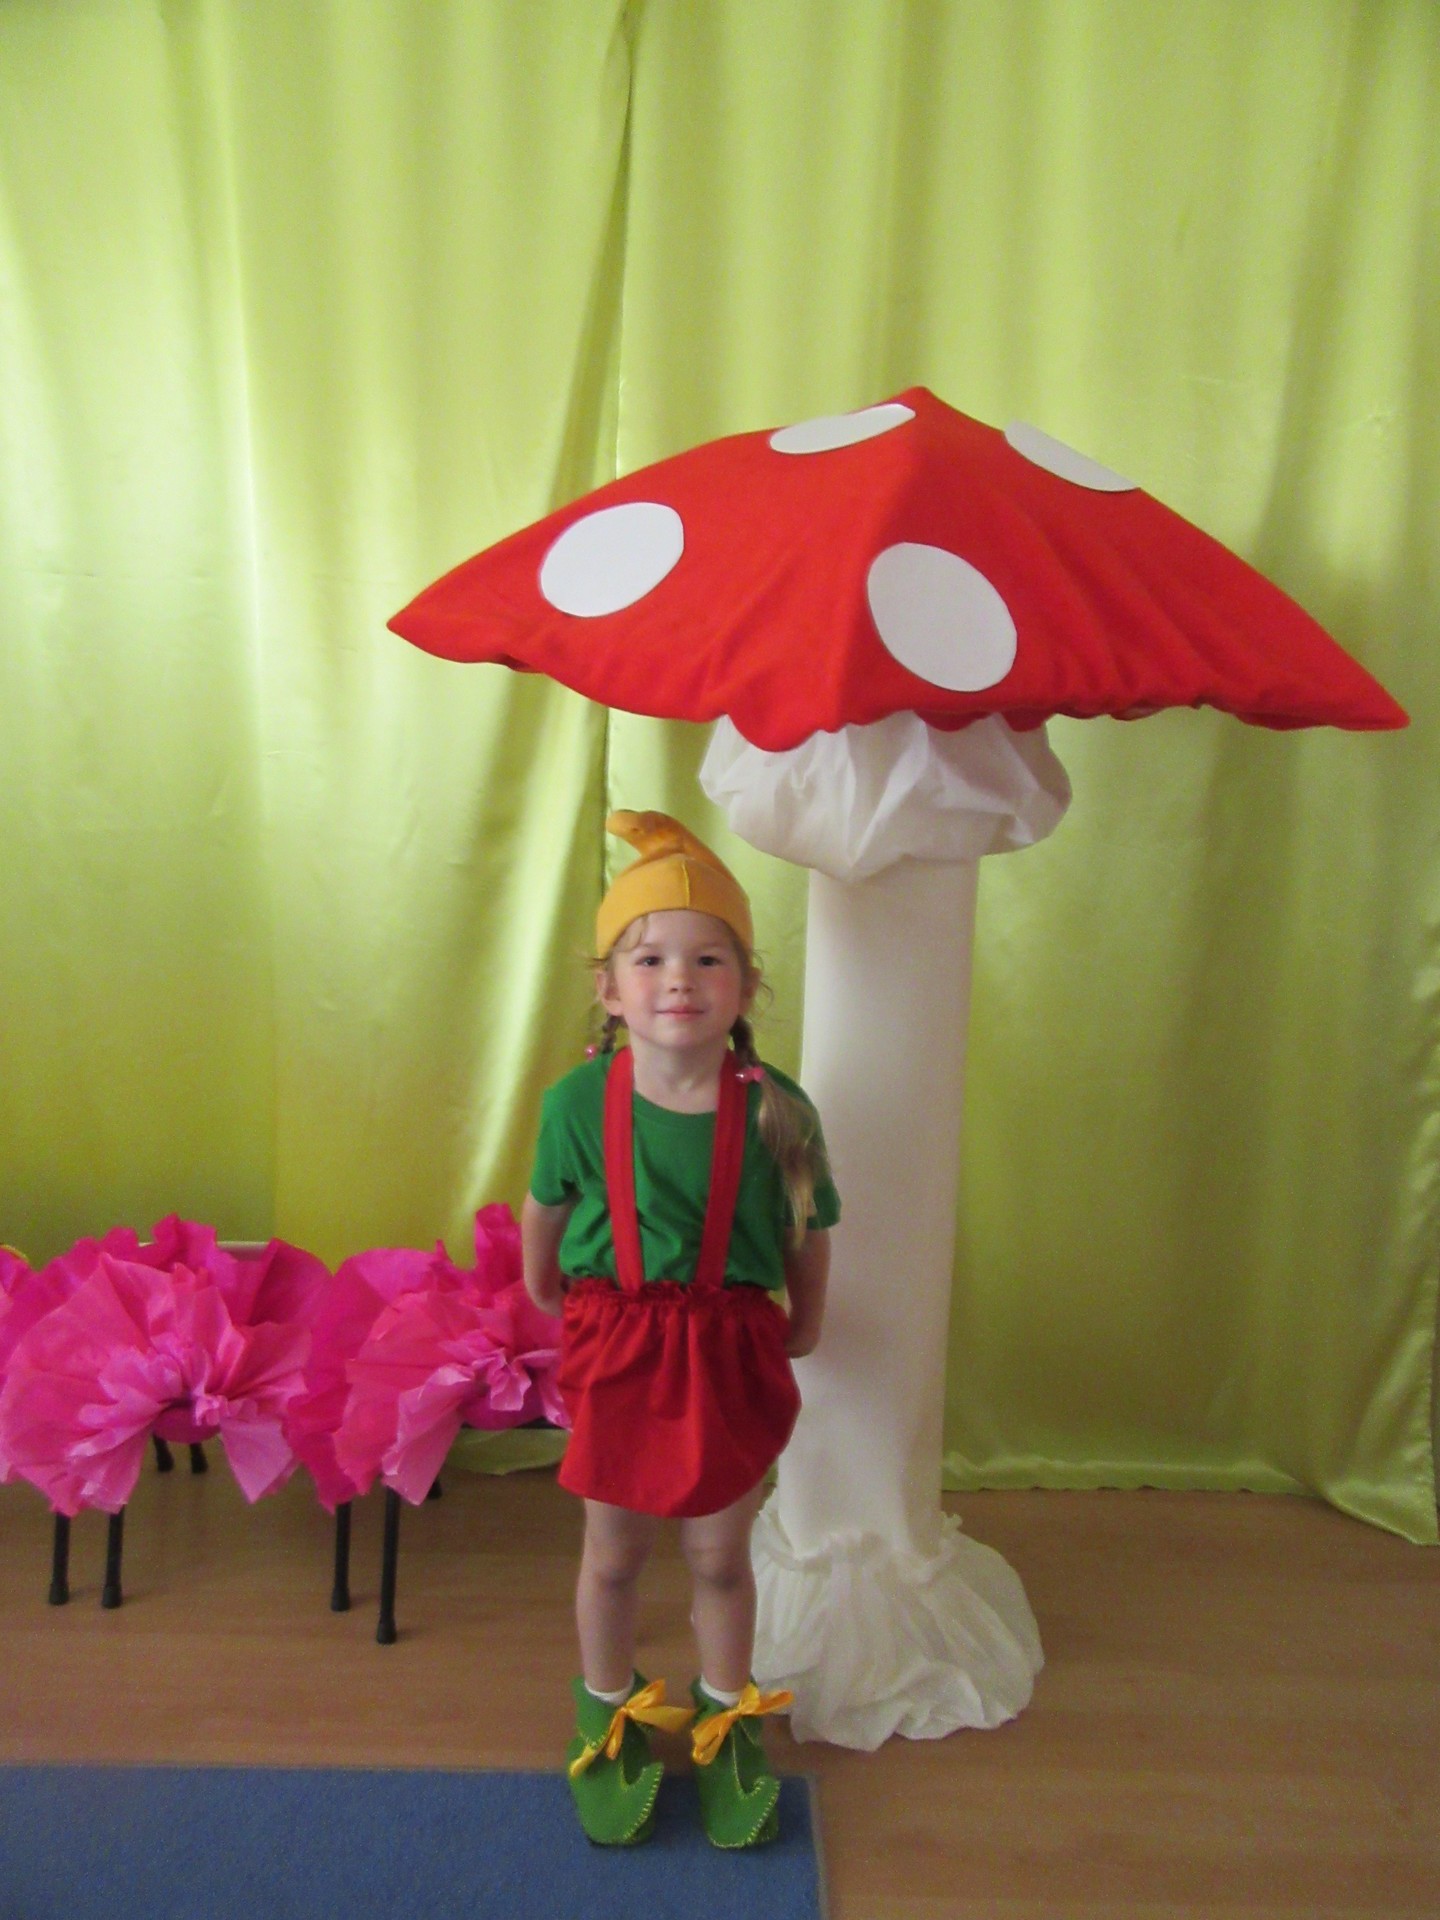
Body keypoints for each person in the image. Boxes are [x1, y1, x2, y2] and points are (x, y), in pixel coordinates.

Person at [522, 810, 838, 1849]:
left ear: (746, 988)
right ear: (610, 990)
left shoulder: (781, 1109)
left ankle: (725, 1710)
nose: (679, 980)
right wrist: (540, 1286)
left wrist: (807, 1321)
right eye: (649, 958)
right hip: (618, 1348)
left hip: (730, 1350)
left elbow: (807, 1228)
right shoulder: (577, 1102)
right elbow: (547, 1208)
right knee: (613, 1553)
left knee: (718, 1554)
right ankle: (606, 1707)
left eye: (709, 959)